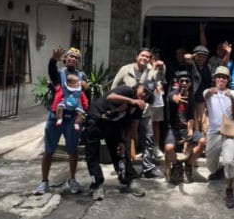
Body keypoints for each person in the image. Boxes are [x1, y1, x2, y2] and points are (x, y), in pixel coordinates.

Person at [84, 81, 150, 200]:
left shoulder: (138, 107)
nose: (144, 95)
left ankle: (129, 180)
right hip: (96, 119)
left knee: (120, 152)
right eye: (143, 90)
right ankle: (97, 184)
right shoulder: (127, 90)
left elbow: (133, 126)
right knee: (92, 153)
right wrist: (132, 101)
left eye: (148, 94)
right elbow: (110, 97)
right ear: (138, 87)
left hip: (113, 124)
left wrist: (124, 142)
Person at [34, 47, 86, 195]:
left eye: (76, 58)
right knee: (49, 150)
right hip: (56, 116)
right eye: (70, 57)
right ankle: (44, 182)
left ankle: (72, 179)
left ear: (78, 61)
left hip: (73, 118)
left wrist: (87, 90)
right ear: (65, 59)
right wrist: (53, 60)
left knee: (73, 150)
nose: (73, 59)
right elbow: (51, 71)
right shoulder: (59, 75)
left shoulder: (82, 76)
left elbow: (84, 95)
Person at [111, 47, 161, 179]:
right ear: (137, 56)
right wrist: (118, 105)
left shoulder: (151, 71)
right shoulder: (125, 70)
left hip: (145, 110)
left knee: (148, 139)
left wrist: (160, 68)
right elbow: (113, 88)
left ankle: (148, 168)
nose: (144, 58)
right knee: (127, 138)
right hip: (128, 111)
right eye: (142, 55)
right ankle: (127, 168)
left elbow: (160, 78)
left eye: (147, 57)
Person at [203, 66, 234, 209]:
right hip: (213, 132)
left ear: (228, 80)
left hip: (229, 131)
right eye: (218, 77)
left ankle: (229, 189)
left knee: (229, 162)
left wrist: (231, 100)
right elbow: (204, 97)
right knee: (210, 165)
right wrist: (210, 93)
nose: (221, 79)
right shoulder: (208, 92)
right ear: (215, 79)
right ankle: (218, 170)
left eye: (224, 77)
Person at [163, 70, 204, 185]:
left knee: (202, 141)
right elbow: (172, 97)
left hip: (186, 128)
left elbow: (191, 116)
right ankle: (176, 165)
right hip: (174, 129)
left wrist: (190, 129)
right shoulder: (173, 92)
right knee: (169, 148)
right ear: (178, 82)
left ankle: (189, 163)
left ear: (190, 83)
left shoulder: (191, 97)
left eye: (187, 81)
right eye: (182, 81)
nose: (185, 83)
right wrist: (176, 99)